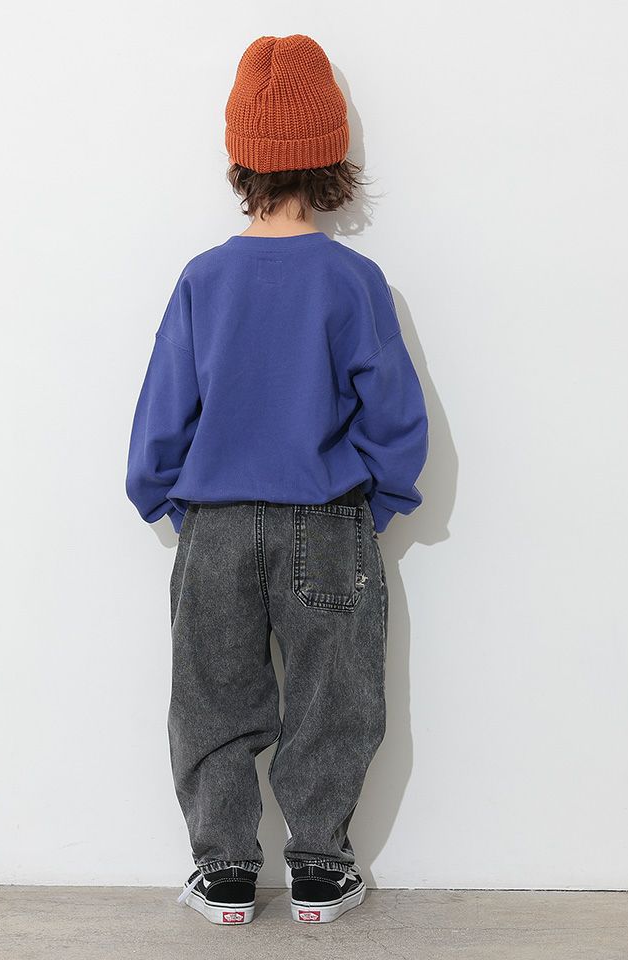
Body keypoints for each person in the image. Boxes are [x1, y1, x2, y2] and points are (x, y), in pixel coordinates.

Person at [125, 34, 428, 926]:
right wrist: (381, 501)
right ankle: (321, 870)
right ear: (331, 158)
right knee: (336, 698)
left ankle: (224, 871)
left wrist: (164, 496)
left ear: (241, 156)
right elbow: (393, 415)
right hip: (327, 521)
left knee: (212, 698)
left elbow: (164, 412)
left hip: (216, 523)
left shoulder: (204, 279)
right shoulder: (354, 280)